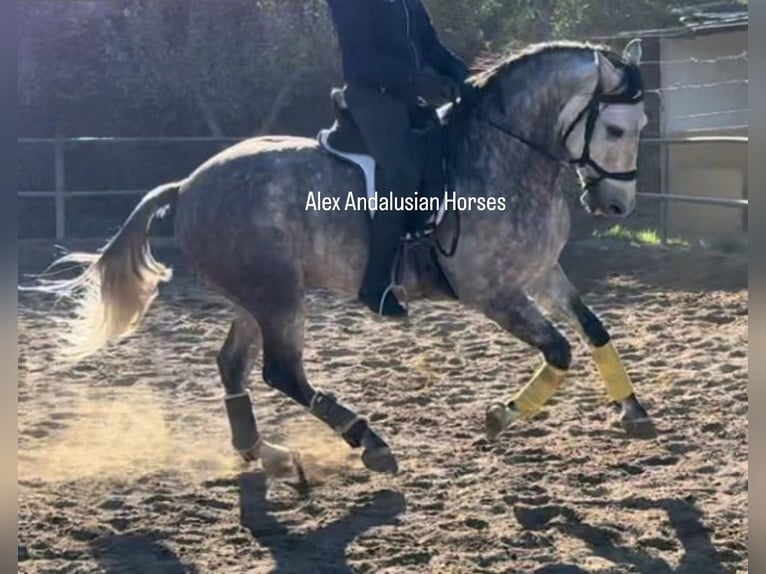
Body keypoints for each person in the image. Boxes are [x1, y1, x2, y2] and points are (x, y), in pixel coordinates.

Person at [325, 0, 478, 318]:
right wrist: (419, 80)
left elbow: (431, 47)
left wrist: (469, 79)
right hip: (371, 97)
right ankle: (375, 284)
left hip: (407, 98)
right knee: (402, 174)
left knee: (444, 160)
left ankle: (427, 260)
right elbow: (360, 60)